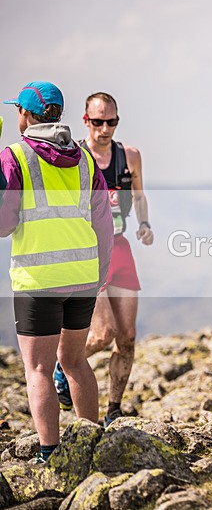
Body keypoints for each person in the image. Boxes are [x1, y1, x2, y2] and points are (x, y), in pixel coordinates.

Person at [0, 82, 113, 462]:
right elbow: (103, 222)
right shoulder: (85, 159)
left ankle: (50, 452)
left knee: (38, 369)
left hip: (39, 280)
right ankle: (94, 443)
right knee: (76, 361)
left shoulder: (14, 156)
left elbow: (3, 224)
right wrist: (99, 275)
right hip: (82, 275)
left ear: (25, 115)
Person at [53, 92, 153, 425]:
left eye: (111, 121)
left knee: (127, 337)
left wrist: (144, 224)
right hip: (89, 251)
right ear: (86, 121)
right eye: (98, 122)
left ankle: (113, 410)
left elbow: (139, 195)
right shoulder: (76, 156)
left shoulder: (130, 157)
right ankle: (62, 365)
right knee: (102, 334)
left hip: (120, 248)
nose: (105, 128)